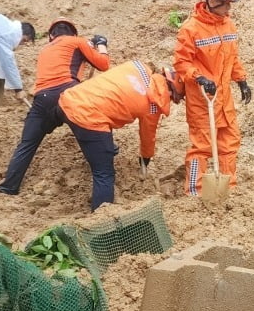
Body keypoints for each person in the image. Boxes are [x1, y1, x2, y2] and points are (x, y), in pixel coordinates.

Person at [0, 19, 110, 195]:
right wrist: (101, 45)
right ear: (73, 33)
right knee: (93, 129)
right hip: (68, 94)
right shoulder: (77, 41)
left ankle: (9, 186)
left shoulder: (44, 50)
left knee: (26, 144)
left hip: (42, 98)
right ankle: (106, 152)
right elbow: (103, 64)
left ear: (51, 36)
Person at [56, 61, 183, 210]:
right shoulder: (154, 104)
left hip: (68, 99)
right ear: (171, 93)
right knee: (104, 174)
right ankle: (101, 219)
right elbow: (148, 135)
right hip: (89, 118)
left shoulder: (137, 66)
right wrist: (145, 158)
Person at [174, 0, 252, 194]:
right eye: (225, 3)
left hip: (224, 98)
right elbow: (181, 62)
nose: (229, 8)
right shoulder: (191, 29)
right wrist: (198, 77)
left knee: (229, 143)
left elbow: (232, 58)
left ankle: (227, 188)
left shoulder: (228, 25)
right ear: (211, 1)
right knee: (202, 146)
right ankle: (194, 191)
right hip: (203, 99)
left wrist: (241, 80)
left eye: (230, 3)